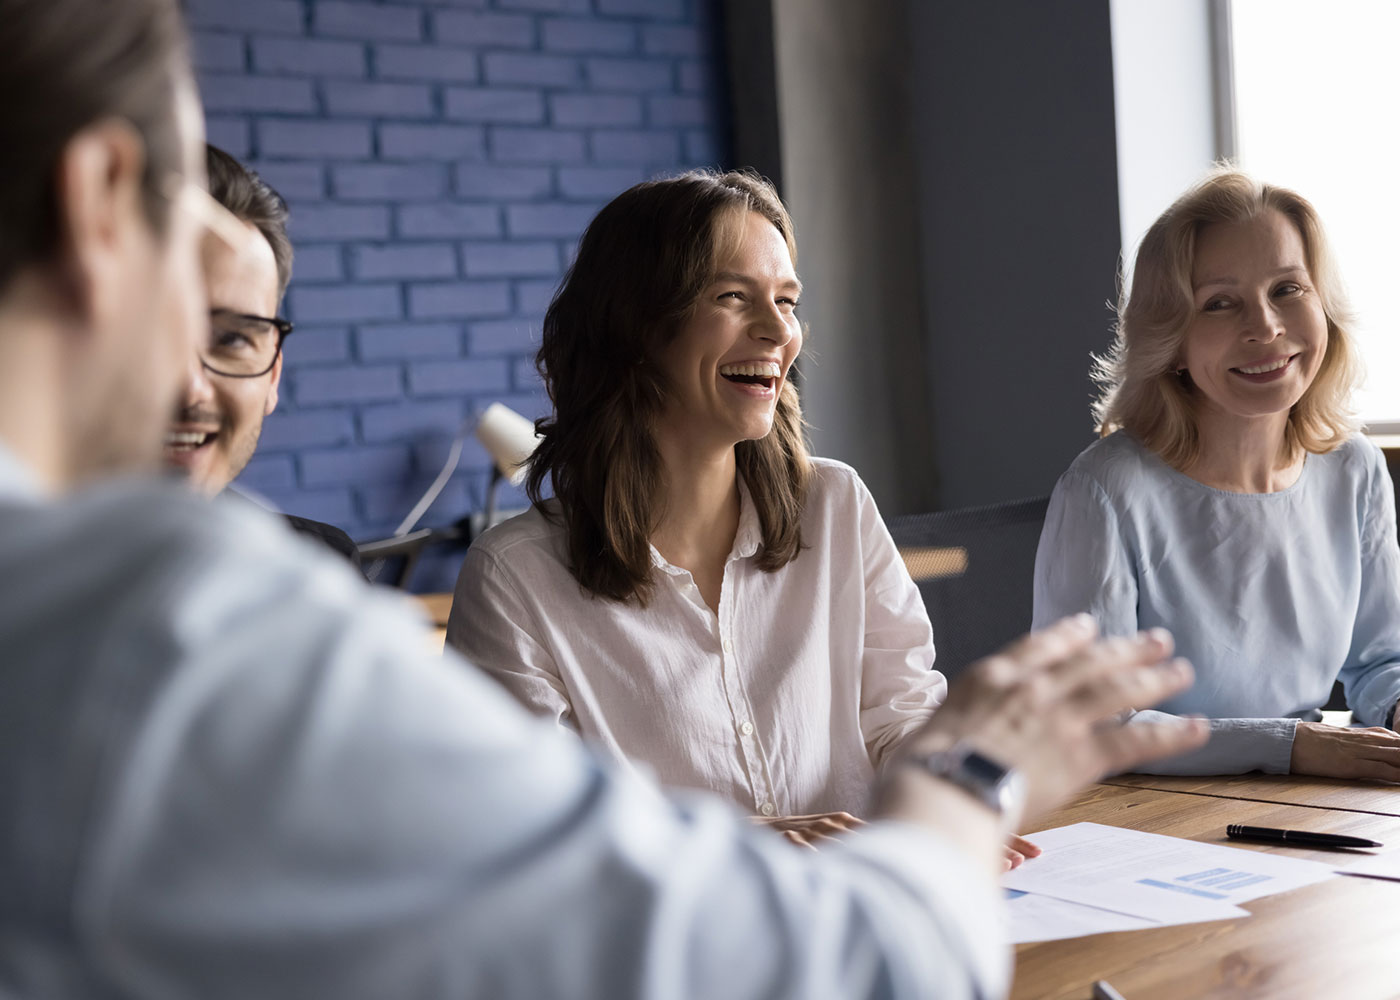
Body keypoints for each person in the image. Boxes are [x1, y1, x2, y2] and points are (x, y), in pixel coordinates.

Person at [0, 1, 1207, 995]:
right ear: (103, 196)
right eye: (196, 300)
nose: (201, 375)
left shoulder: (833, 509)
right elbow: (827, 963)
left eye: (245, 334)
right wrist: (965, 777)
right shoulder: (183, 624)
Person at [447, 172, 1031, 859]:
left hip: (859, 904)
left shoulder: (837, 507)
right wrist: (754, 844)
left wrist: (955, 799)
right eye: (733, 297)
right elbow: (528, 827)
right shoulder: (514, 578)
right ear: (634, 325)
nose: (778, 330)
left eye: (787, 301)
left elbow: (900, 717)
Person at [1033, 167, 1400, 779]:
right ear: (1171, 339)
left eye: (1288, 289)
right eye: (1220, 303)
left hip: (1306, 796)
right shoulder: (1106, 489)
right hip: (1153, 813)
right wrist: (1289, 745)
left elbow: (1382, 658)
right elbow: (1090, 723)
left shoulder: (1353, 466)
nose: (1265, 328)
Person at [164, 143, 361, 568]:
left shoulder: (319, 573)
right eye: (148, 336)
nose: (190, 388)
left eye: (232, 340)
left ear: (273, 375)